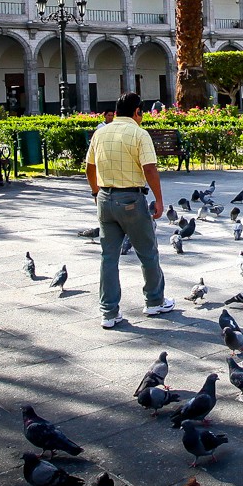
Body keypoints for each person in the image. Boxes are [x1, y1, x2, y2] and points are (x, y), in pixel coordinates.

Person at [85, 91, 173, 328]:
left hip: (105, 198)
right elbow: (150, 169)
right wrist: (159, 200)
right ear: (137, 112)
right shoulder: (139, 133)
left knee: (108, 257)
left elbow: (89, 168)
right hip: (131, 199)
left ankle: (108, 312)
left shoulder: (100, 132)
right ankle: (154, 301)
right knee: (147, 252)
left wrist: (95, 193)